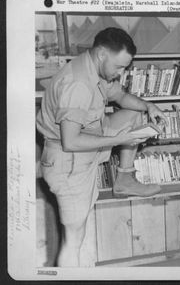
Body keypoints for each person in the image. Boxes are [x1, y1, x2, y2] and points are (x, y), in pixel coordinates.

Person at [36, 27, 166, 267]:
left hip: (87, 144)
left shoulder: (95, 69)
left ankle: (125, 179)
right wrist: (120, 140)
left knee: (134, 115)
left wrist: (148, 106)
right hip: (67, 161)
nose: (122, 72)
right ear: (102, 54)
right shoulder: (78, 84)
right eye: (119, 66)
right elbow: (71, 141)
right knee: (73, 239)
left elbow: (120, 97)